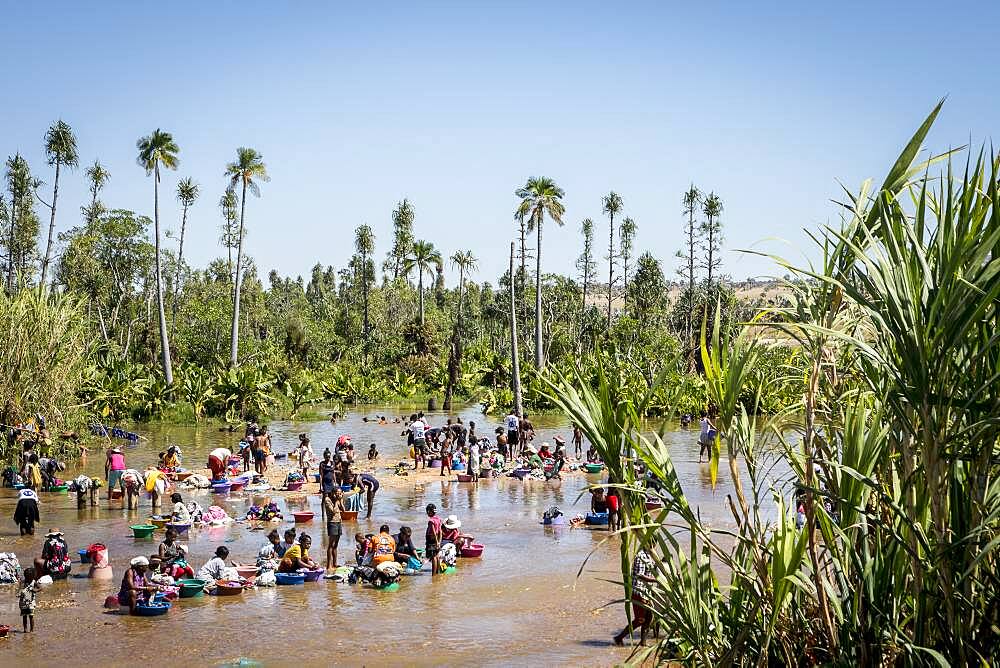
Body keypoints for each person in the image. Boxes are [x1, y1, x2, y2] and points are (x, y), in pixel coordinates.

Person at [613, 548, 657, 645]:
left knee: (649, 618)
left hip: (648, 592)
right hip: (639, 591)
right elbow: (639, 575)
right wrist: (656, 580)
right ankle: (619, 638)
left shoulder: (651, 553)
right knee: (640, 619)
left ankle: (643, 643)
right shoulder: (640, 555)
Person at [323, 489, 346, 570]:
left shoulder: (338, 499)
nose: (338, 495)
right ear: (332, 493)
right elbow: (333, 511)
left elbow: (343, 510)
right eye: (337, 493)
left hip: (338, 522)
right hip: (332, 523)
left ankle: (335, 564)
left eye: (340, 493)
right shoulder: (327, 499)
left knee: (335, 545)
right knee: (331, 545)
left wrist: (341, 501)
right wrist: (336, 502)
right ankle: (329, 565)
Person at [19, 567, 40, 633]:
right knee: (24, 616)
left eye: (29, 578)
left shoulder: (34, 582)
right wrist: (19, 593)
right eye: (27, 578)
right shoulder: (23, 582)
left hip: (31, 602)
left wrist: (35, 590)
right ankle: (25, 629)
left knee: (31, 616)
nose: (28, 579)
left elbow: (40, 588)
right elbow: (19, 589)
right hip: (23, 602)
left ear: (33, 577)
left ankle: (31, 630)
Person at [425, 503, 443, 576]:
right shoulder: (438, 519)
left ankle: (433, 574)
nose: (427, 513)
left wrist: (436, 541)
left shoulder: (431, 521)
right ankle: (437, 572)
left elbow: (434, 532)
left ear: (429, 511)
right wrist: (439, 542)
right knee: (437, 556)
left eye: (427, 511)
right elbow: (440, 532)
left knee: (433, 557)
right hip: (437, 541)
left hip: (432, 540)